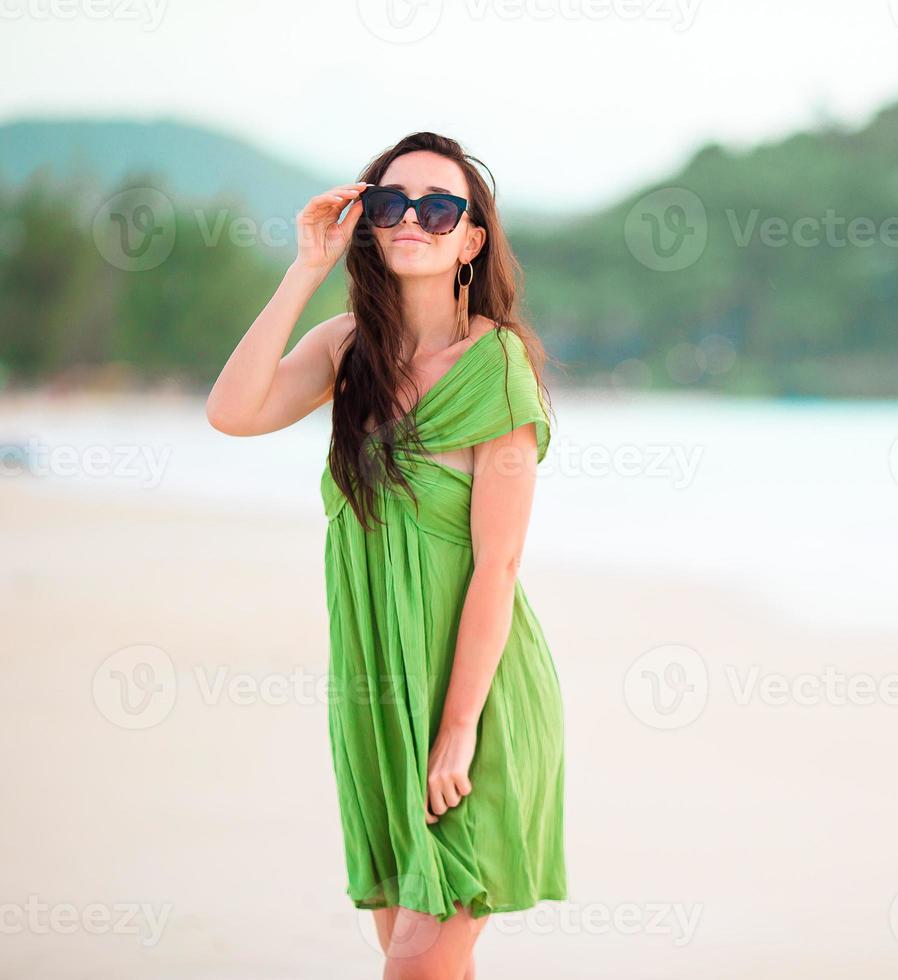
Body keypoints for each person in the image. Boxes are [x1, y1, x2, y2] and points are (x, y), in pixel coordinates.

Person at [206, 132, 566, 980]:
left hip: (474, 704)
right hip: (375, 695)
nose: (413, 219)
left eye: (438, 208)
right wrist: (305, 268)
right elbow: (233, 410)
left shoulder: (496, 363)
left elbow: (498, 567)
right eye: (389, 203)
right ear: (365, 223)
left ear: (470, 240)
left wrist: (456, 732)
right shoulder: (346, 350)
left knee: (415, 967)